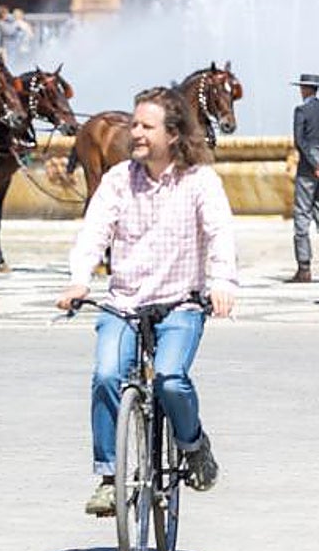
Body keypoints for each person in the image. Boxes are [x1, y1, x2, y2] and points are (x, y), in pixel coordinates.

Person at [56, 86, 235, 517]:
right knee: (106, 375)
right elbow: (93, 233)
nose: (134, 132)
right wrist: (79, 280)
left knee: (170, 378)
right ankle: (108, 477)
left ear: (173, 134)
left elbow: (219, 234)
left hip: (180, 303)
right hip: (124, 304)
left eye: (145, 126)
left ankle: (192, 444)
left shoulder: (200, 181)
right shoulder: (119, 180)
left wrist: (222, 282)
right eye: (134, 124)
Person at [289, 73, 319, 282]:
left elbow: (300, 141)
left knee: (302, 215)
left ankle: (304, 268)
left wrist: (315, 164)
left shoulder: (301, 110)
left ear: (306, 89)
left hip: (308, 170)